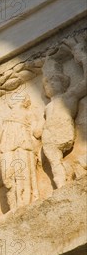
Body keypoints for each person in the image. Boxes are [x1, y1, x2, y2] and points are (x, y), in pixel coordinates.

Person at [39, 36, 87, 188]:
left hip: (63, 133)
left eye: (54, 80)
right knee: (54, 163)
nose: (50, 84)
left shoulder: (69, 96)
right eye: (47, 82)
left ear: (64, 83)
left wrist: (81, 57)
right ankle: (60, 185)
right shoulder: (48, 106)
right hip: (49, 139)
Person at [0, 94, 40, 211]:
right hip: (6, 146)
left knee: (23, 173)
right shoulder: (6, 117)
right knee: (7, 176)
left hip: (23, 144)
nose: (14, 98)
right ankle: (13, 206)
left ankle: (25, 202)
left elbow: (36, 131)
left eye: (18, 96)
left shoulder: (28, 113)